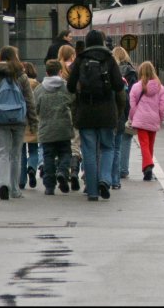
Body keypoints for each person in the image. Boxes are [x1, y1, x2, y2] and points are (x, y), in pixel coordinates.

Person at [66, 30, 124, 201]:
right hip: (106, 111)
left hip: (86, 112)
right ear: (102, 42)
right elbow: (119, 86)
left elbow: (69, 87)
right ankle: (105, 180)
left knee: (89, 152)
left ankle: (92, 191)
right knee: (107, 148)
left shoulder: (81, 59)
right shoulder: (109, 59)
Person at [0, 46, 38, 200]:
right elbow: (29, 100)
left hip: (1, 118)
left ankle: (2, 184)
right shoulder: (21, 75)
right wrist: (33, 121)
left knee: (3, 152)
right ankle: (14, 189)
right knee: (15, 154)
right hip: (19, 119)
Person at [35, 59, 75, 195]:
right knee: (66, 153)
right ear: (60, 71)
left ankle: (49, 186)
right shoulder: (66, 87)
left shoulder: (39, 89)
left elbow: (35, 108)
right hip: (63, 127)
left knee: (48, 157)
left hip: (46, 129)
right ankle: (63, 172)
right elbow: (73, 102)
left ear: (46, 72)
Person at [128, 61, 164, 181]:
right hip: (154, 119)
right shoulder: (160, 88)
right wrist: (161, 118)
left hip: (140, 120)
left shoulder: (136, 87)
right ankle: (147, 169)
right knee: (150, 144)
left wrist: (133, 118)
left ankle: (148, 166)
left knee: (143, 144)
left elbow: (132, 106)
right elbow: (162, 106)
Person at [112, 46, 138, 186]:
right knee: (124, 140)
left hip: (111, 111)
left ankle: (110, 173)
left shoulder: (110, 70)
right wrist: (130, 113)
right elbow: (133, 93)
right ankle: (122, 169)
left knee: (110, 145)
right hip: (124, 110)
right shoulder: (131, 71)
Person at [58, 44, 83, 191]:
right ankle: (74, 171)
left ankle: (62, 171)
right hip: (74, 113)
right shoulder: (75, 68)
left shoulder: (57, 70)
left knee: (61, 145)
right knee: (75, 144)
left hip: (59, 115)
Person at [19, 62, 42, 190]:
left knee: (21, 151)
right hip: (33, 120)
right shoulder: (37, 86)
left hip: (21, 120)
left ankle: (21, 180)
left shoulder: (19, 84)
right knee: (34, 149)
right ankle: (32, 167)